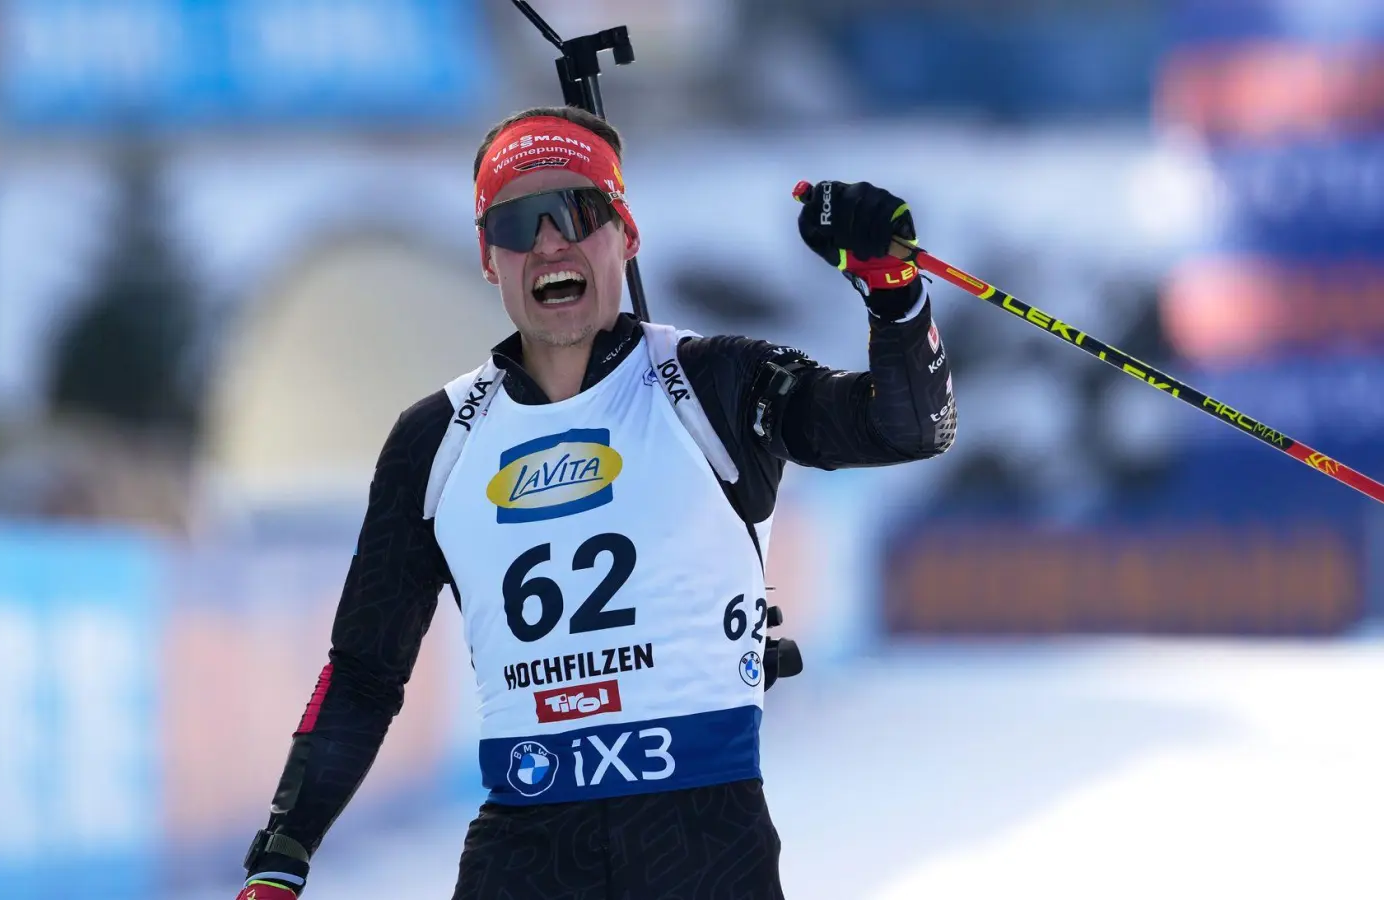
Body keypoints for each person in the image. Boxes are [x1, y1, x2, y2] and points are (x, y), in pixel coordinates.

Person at [234, 106, 956, 900]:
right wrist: (283, 849)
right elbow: (365, 671)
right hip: (525, 848)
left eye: (579, 211)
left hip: (702, 845)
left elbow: (909, 426)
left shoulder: (714, 384)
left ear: (627, 234)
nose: (549, 241)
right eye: (517, 222)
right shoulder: (434, 440)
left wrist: (893, 296)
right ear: (487, 256)